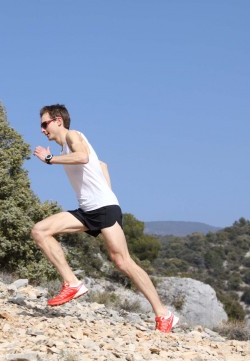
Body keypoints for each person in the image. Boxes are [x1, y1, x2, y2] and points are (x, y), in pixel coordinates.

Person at [31, 104, 179, 333]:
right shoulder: (64, 148)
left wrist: (50, 159)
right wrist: (106, 192)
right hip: (89, 210)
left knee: (123, 262)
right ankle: (72, 283)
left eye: (45, 123)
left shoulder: (73, 135)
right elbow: (101, 165)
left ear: (58, 120)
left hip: (103, 209)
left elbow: (82, 156)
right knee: (40, 231)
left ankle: (164, 314)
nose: (42, 129)